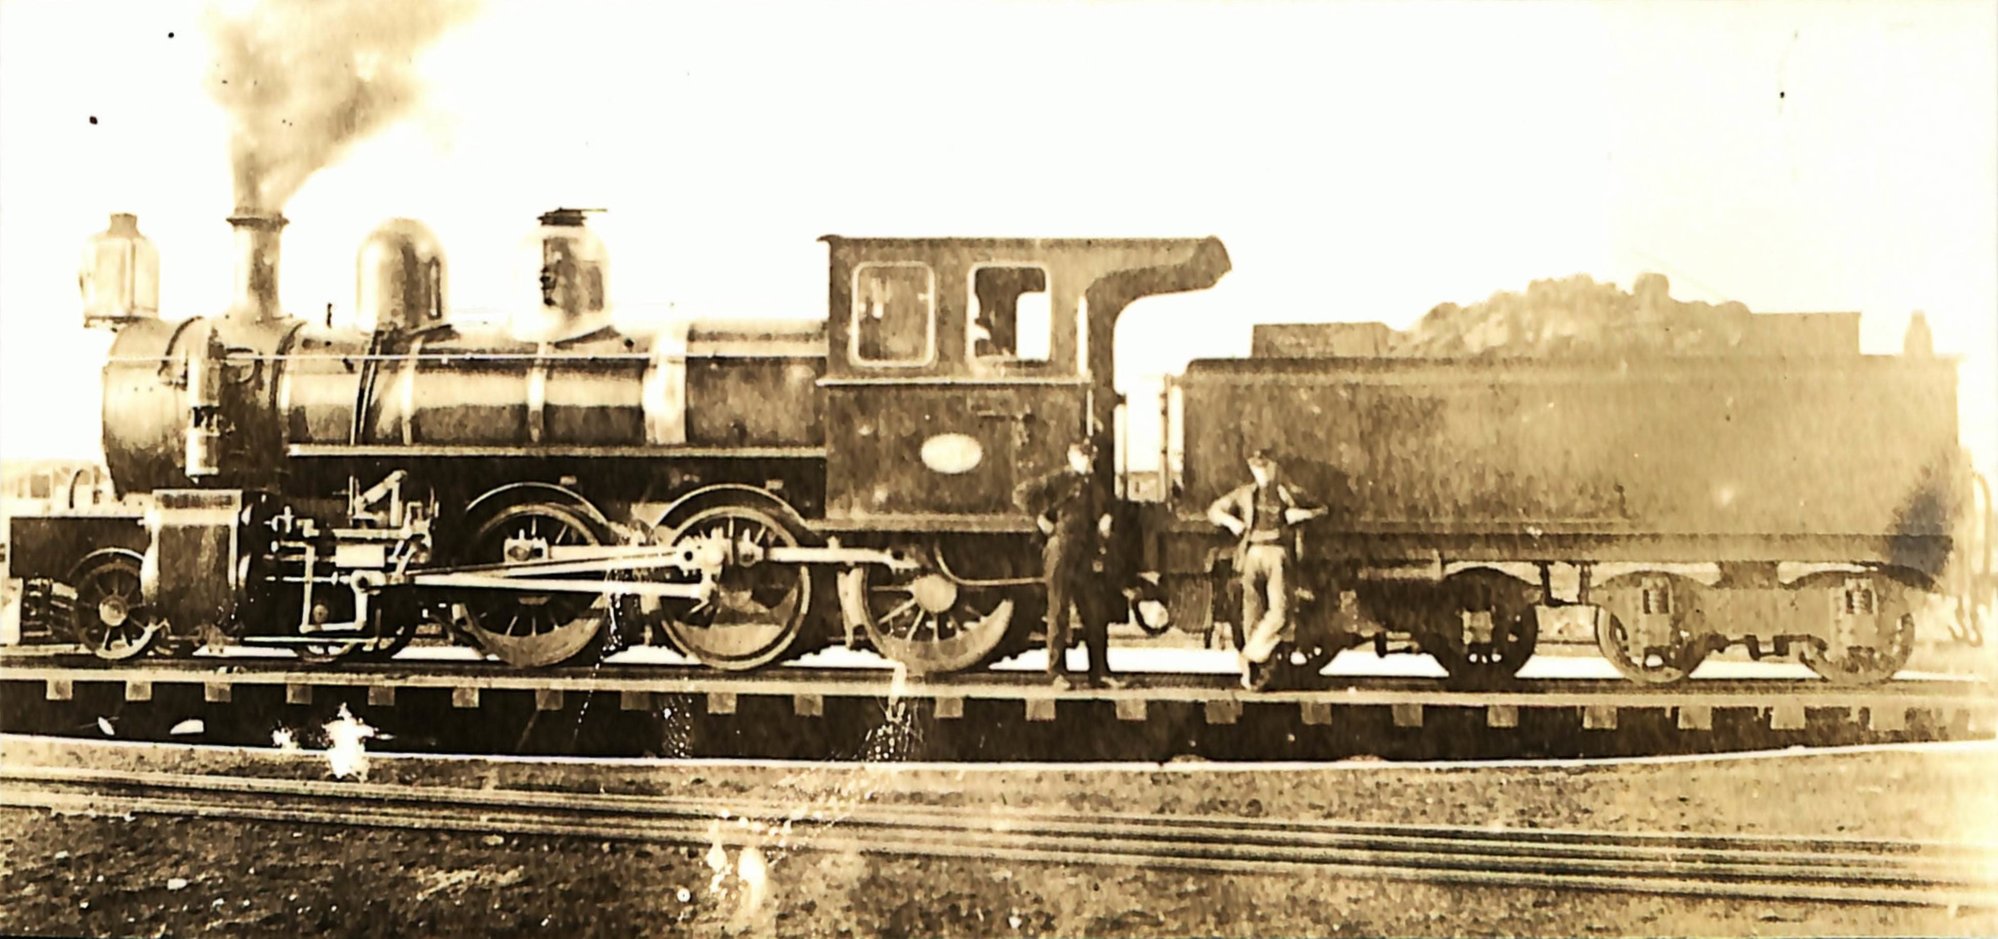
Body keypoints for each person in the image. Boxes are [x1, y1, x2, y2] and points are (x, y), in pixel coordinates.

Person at [1207, 449, 1327, 690]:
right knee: (1251, 614)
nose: (1261, 472)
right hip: (1252, 554)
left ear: (1274, 468)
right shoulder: (1244, 494)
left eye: (1265, 467)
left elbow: (1322, 509)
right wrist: (1231, 522)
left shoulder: (1288, 492)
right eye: (1256, 468)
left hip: (1277, 553)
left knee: (1280, 612)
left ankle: (1251, 654)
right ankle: (1252, 673)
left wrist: (1301, 514)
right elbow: (1214, 510)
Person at [1013, 438, 1123, 689]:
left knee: (1094, 611)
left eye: (1089, 457)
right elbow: (1021, 494)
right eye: (1082, 457)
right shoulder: (1059, 480)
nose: (1087, 461)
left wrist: (1105, 520)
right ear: (1072, 456)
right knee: (1058, 609)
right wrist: (1041, 521)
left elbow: (1103, 510)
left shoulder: (1095, 486)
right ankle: (1056, 672)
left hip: (1084, 551)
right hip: (1060, 550)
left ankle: (1100, 672)